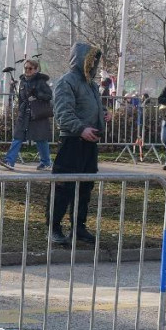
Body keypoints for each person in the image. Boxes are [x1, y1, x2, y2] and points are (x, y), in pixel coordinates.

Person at [50, 42, 104, 245]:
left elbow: (89, 106)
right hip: (72, 142)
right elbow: (63, 114)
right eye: (91, 60)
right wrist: (81, 129)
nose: (94, 64)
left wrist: (102, 114)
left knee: (85, 188)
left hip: (89, 143)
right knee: (63, 187)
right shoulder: (67, 82)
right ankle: (54, 228)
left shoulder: (91, 84)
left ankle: (78, 227)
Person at [0, 59, 53, 171]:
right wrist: (19, 110)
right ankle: (9, 161)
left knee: (41, 139)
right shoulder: (22, 81)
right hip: (24, 114)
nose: (27, 70)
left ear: (36, 70)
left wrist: (37, 94)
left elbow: (49, 95)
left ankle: (46, 162)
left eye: (30, 68)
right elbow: (22, 99)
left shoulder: (41, 81)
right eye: (25, 68)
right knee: (17, 137)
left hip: (37, 114)